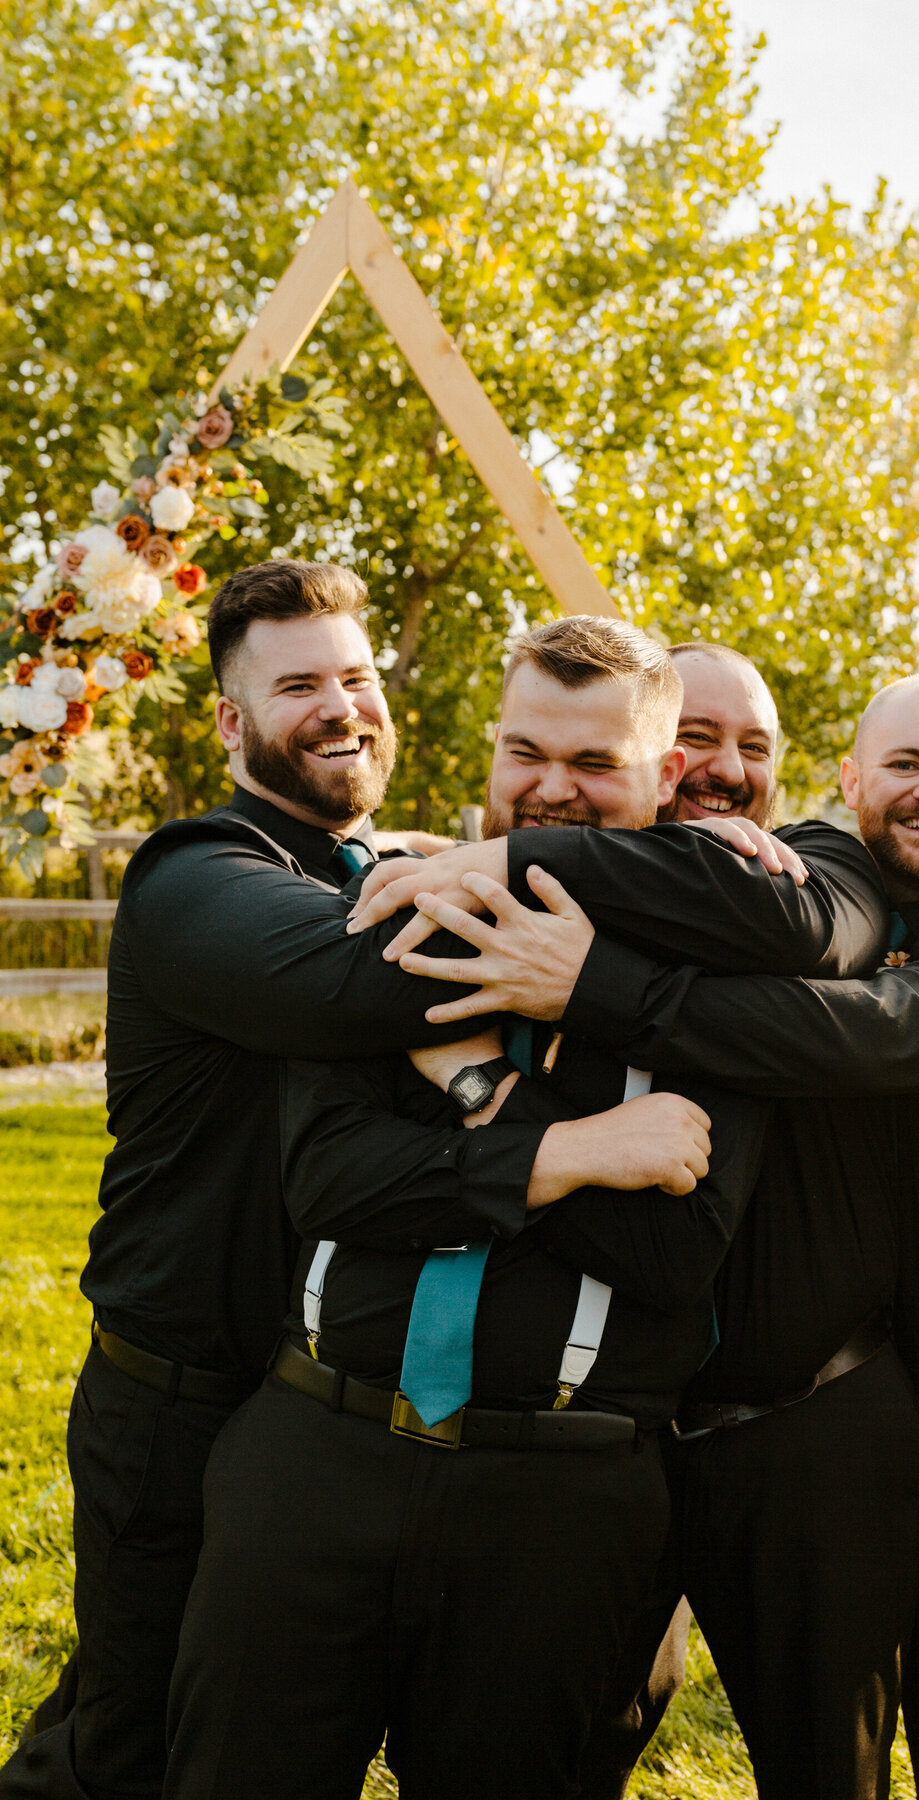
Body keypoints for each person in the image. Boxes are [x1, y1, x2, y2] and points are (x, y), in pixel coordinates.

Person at [364, 670, 919, 1800]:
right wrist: (471, 850)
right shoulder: (818, 871)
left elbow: (865, 1035)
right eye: (903, 765)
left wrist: (580, 974)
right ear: (850, 783)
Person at [161, 617, 776, 1800]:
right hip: (314, 1459)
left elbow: (672, 1255)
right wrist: (575, 1147)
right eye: (526, 752)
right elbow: (332, 1179)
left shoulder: (716, 983)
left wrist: (475, 1102)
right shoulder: (400, 917)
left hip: (560, 1500)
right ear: (491, 753)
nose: (554, 788)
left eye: (596, 765)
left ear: (665, 778)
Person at [0, 559, 586, 1800]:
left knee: (253, 1737)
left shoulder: (377, 861)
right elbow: (363, 981)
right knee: (129, 1738)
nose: (342, 706)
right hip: (181, 1399)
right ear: (229, 720)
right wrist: (636, 886)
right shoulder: (196, 880)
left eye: (359, 677)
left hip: (315, 1409)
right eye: (300, 685)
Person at [348, 640, 919, 1800]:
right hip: (624, 1437)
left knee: (823, 1760)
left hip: (797, 1418)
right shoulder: (535, 886)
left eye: (753, 747)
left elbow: (801, 934)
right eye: (698, 742)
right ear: (664, 766)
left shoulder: (814, 868)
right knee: (583, 1728)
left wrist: (513, 880)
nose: (722, 771)